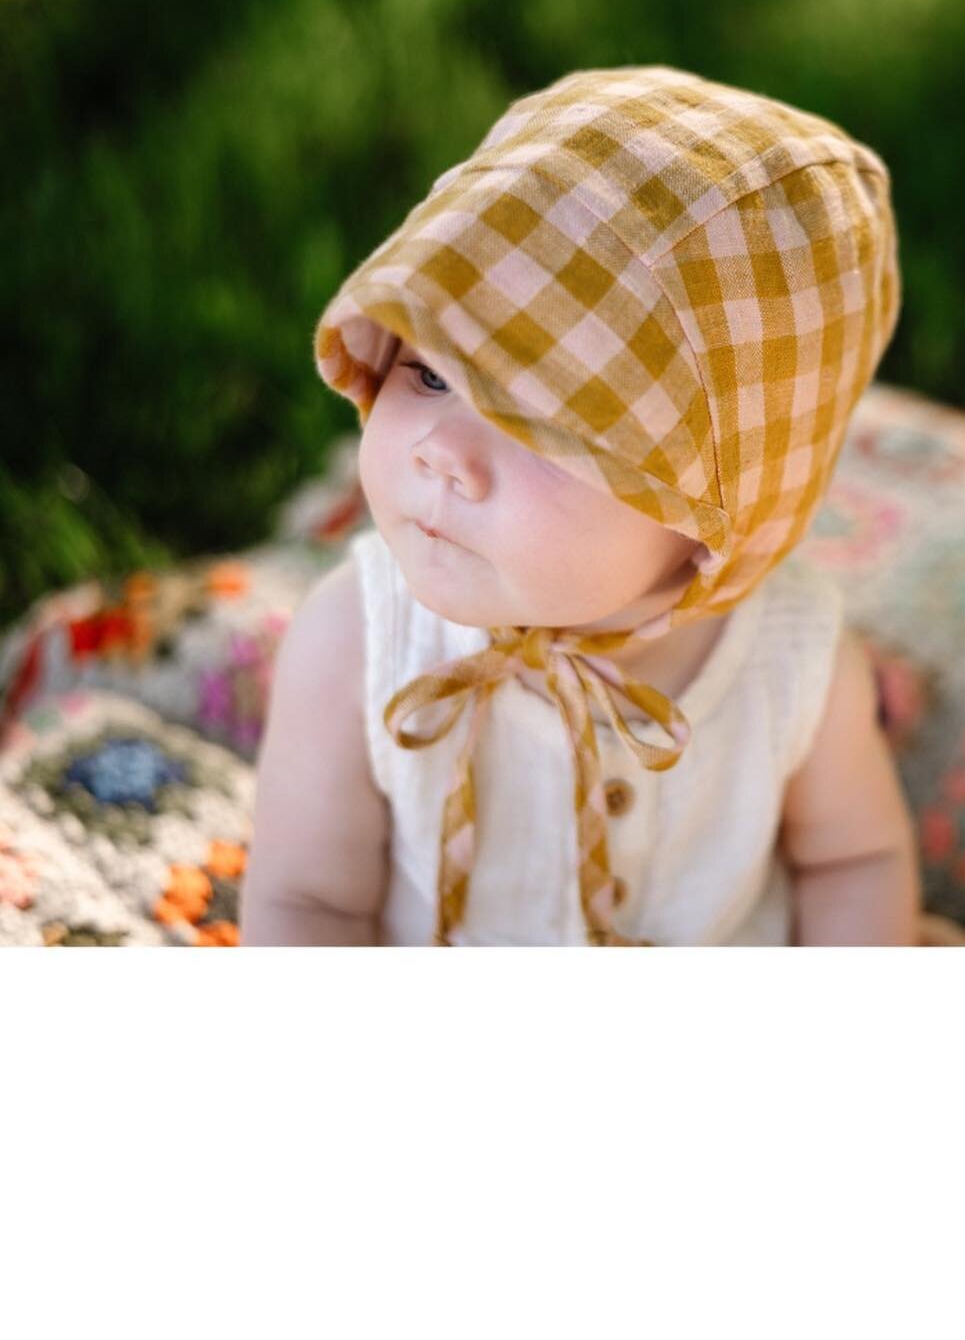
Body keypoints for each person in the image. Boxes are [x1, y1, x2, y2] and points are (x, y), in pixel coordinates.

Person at [240, 64, 923, 946]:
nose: (442, 453)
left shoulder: (795, 661)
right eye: (431, 372)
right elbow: (308, 904)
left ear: (716, 513)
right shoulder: (360, 642)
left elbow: (853, 861)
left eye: (539, 428)